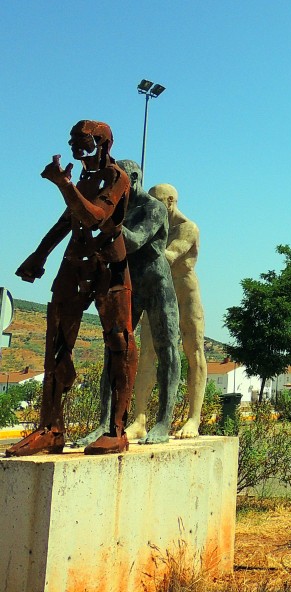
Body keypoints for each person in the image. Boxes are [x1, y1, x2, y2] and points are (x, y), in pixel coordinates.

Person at [8, 120, 137, 456]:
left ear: (103, 144)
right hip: (75, 262)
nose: (75, 147)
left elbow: (95, 216)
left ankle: (117, 430)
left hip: (110, 268)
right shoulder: (83, 178)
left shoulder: (116, 178)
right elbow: (70, 219)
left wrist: (64, 185)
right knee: (57, 340)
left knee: (119, 343)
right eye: (72, 141)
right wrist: (39, 255)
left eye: (83, 142)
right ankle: (50, 428)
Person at [78, 160, 181, 447]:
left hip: (157, 283)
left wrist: (107, 219)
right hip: (128, 285)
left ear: (133, 178)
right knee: (115, 352)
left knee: (167, 349)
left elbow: (134, 241)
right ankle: (105, 423)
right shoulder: (118, 208)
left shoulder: (153, 208)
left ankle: (163, 421)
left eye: (117, 179)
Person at [127, 183, 207, 439]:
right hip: (159, 292)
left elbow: (168, 256)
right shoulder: (152, 224)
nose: (152, 206)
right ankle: (139, 419)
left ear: (170, 201)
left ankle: (193, 419)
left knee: (193, 350)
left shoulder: (187, 227)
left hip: (184, 293)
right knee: (148, 353)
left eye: (157, 201)